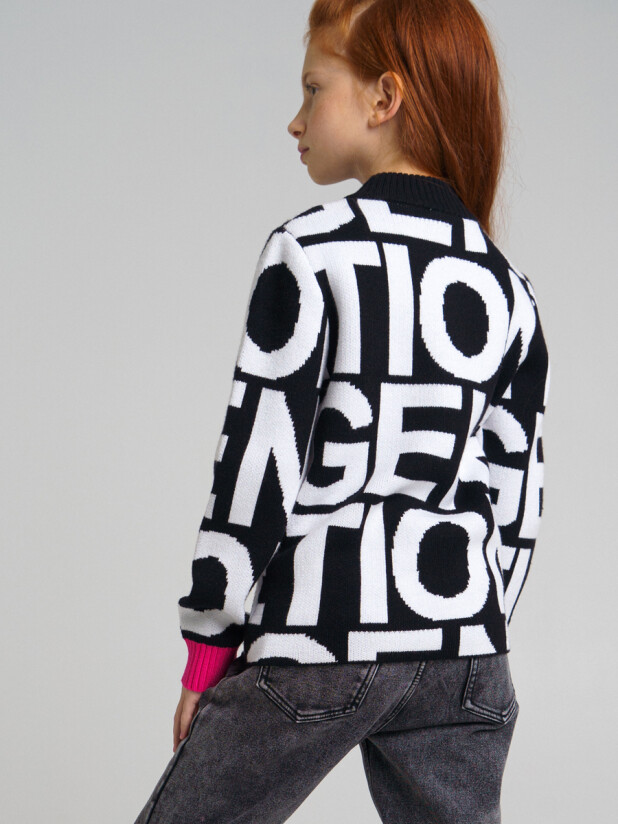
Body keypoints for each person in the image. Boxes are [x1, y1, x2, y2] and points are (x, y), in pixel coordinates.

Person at [133, 1, 550, 822]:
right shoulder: (509, 289)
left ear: (384, 97)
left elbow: (259, 459)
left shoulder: (312, 251)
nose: (295, 120)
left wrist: (209, 650)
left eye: (313, 88)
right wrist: (473, 623)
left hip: (322, 633)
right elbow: (518, 494)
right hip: (465, 650)